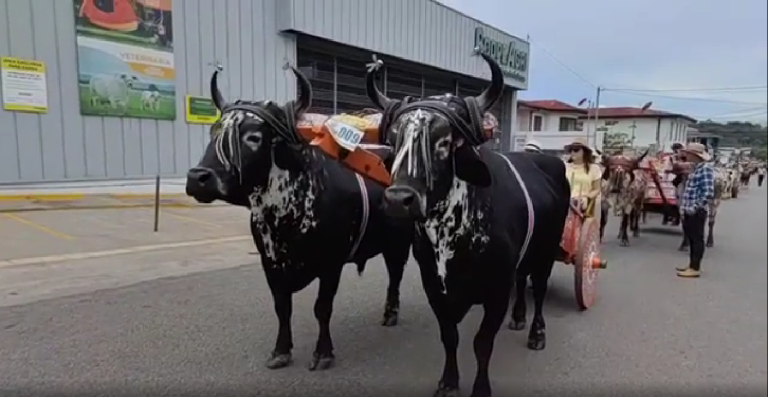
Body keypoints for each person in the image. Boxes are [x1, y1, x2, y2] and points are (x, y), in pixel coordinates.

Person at [676, 143, 714, 278]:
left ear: (695, 155)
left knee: (697, 239)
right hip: (689, 209)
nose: (686, 155)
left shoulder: (705, 169)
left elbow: (708, 193)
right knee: (691, 238)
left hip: (696, 211)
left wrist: (695, 207)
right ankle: (692, 264)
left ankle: (695, 268)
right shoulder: (697, 168)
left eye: (688, 153)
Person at [564, 138, 601, 216]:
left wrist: (587, 197)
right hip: (564, 203)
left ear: (584, 152)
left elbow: (597, 189)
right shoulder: (564, 166)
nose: (573, 152)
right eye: (571, 150)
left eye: (576, 150)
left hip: (582, 205)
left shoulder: (594, 168)